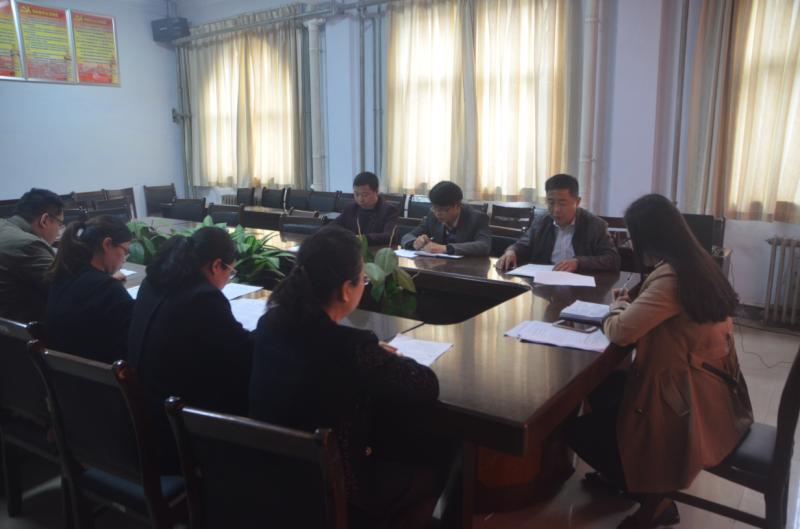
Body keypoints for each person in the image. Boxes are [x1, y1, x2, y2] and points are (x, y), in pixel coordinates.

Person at [566, 194, 752, 529]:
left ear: (650, 238)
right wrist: (632, 306)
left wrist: (617, 307)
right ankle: (627, 477)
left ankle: (656, 500)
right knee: (602, 387)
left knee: (574, 428)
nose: (632, 244)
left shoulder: (671, 279)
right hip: (709, 390)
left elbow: (620, 332)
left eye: (633, 237)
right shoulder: (699, 264)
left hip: (683, 403)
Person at [250, 226, 456, 529]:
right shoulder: (352, 347)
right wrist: (383, 355)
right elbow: (426, 385)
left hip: (272, 479)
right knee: (437, 462)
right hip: (337, 492)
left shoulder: (269, 323)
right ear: (347, 289)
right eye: (363, 278)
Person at [128, 226, 253, 471]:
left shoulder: (153, 282)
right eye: (230, 272)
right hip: (177, 433)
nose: (228, 280)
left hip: (146, 415)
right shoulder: (203, 298)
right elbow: (243, 353)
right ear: (216, 265)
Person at [46, 216, 134, 363]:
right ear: (107, 244)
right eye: (125, 251)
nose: (124, 259)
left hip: (69, 371)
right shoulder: (107, 289)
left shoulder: (62, 277)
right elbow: (135, 339)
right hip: (107, 372)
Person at [496, 174, 619, 272]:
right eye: (551, 203)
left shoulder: (595, 225)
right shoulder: (541, 221)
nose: (556, 210)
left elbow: (612, 259)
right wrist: (511, 252)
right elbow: (523, 244)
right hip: (544, 284)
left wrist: (578, 262)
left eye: (562, 203)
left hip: (581, 285)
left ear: (577, 201)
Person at [0, 189, 64, 322]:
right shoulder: (28, 244)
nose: (59, 230)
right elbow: (69, 289)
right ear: (44, 220)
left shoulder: (4, 226)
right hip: (25, 329)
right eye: (60, 223)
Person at [400, 181, 491, 256]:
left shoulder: (477, 218)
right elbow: (407, 237)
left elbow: (484, 245)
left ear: (457, 206)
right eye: (434, 208)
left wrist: (446, 248)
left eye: (444, 210)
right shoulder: (432, 216)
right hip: (437, 266)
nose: (438, 214)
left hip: (466, 268)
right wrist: (414, 243)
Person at [334, 171, 401, 245]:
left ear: (376, 192)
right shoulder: (350, 208)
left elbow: (390, 236)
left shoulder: (389, 211)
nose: (360, 199)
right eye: (356, 194)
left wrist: (361, 239)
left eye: (365, 195)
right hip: (353, 249)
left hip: (376, 250)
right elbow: (333, 226)